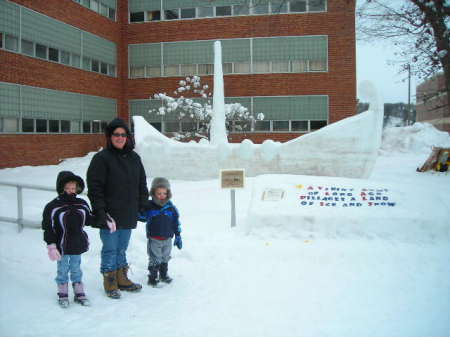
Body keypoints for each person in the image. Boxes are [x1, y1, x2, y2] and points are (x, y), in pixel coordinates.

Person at [87, 118, 149, 299]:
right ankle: (110, 280)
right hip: (110, 215)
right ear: (110, 137)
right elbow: (95, 188)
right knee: (110, 248)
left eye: (123, 134)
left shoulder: (134, 158)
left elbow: (141, 183)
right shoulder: (101, 159)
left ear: (128, 137)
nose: (120, 138)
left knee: (122, 248)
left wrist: (143, 204)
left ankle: (122, 277)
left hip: (128, 212)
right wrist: (100, 211)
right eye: (116, 134)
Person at [42, 171, 93, 308]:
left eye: (73, 188)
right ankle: (63, 294)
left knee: (76, 268)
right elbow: (48, 227)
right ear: (62, 188)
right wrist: (51, 245)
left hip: (77, 243)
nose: (71, 191)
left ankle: (79, 292)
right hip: (61, 245)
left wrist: (105, 219)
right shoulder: (53, 206)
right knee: (63, 269)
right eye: (68, 188)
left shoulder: (81, 203)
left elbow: (89, 219)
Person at [139, 177, 182, 287]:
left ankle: (163, 274)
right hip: (154, 238)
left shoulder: (171, 208)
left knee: (165, 257)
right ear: (153, 193)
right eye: (159, 193)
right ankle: (152, 277)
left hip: (167, 238)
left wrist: (178, 235)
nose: (162, 196)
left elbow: (175, 222)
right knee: (155, 258)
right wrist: (140, 209)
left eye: (164, 193)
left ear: (168, 193)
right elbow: (141, 217)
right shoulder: (149, 207)